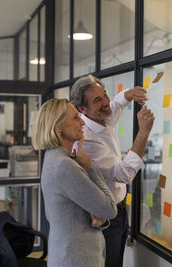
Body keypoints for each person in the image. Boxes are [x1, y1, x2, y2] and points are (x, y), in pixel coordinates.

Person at [70, 75, 155, 267]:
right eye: (97, 100)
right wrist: (143, 132)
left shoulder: (102, 115)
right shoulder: (87, 139)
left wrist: (130, 94)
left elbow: (116, 103)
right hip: (106, 216)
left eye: (104, 94)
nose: (106, 102)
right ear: (82, 109)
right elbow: (123, 174)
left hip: (119, 209)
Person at [32, 98, 117, 267]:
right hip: (76, 259)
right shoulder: (65, 166)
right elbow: (109, 208)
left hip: (69, 255)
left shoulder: (54, 157)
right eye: (76, 118)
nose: (82, 123)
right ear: (59, 128)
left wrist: (99, 218)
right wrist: (90, 167)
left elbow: (90, 212)